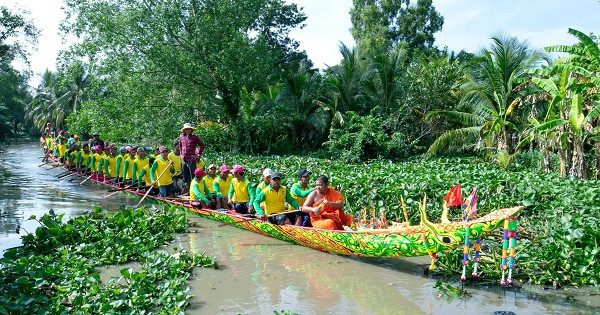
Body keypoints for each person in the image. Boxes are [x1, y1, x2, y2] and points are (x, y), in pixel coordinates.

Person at [179, 123, 206, 193]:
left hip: (191, 159)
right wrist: (181, 155)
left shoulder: (195, 137)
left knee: (193, 176)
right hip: (184, 159)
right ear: (184, 130)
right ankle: (188, 190)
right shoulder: (181, 137)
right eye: (186, 129)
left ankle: (194, 191)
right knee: (186, 176)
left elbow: (202, 145)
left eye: (189, 129)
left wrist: (198, 155)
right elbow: (180, 146)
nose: (187, 130)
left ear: (191, 130)